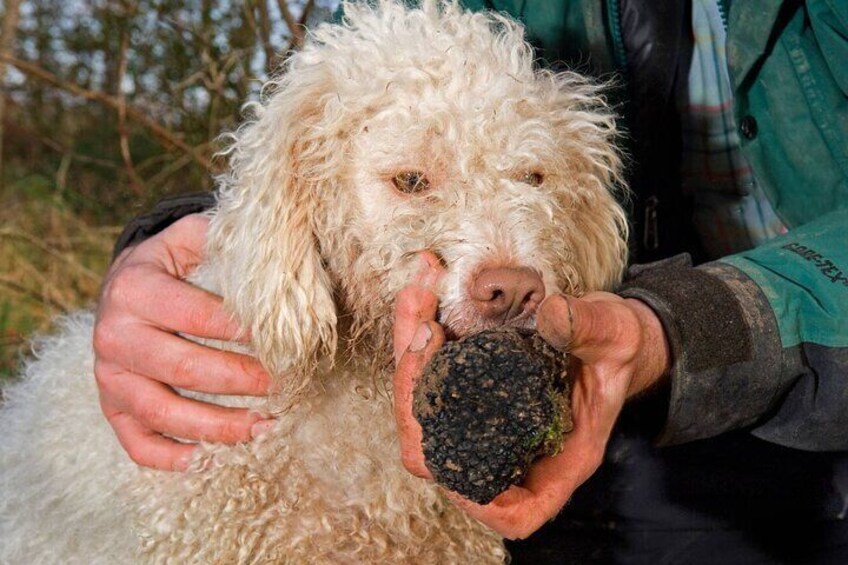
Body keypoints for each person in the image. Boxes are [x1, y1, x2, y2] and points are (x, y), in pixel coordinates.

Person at [93, 0, 848, 562]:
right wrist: (173, 238)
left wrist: (671, 327)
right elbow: (322, 111)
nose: (503, 269)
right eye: (411, 180)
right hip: (592, 445)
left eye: (531, 177)